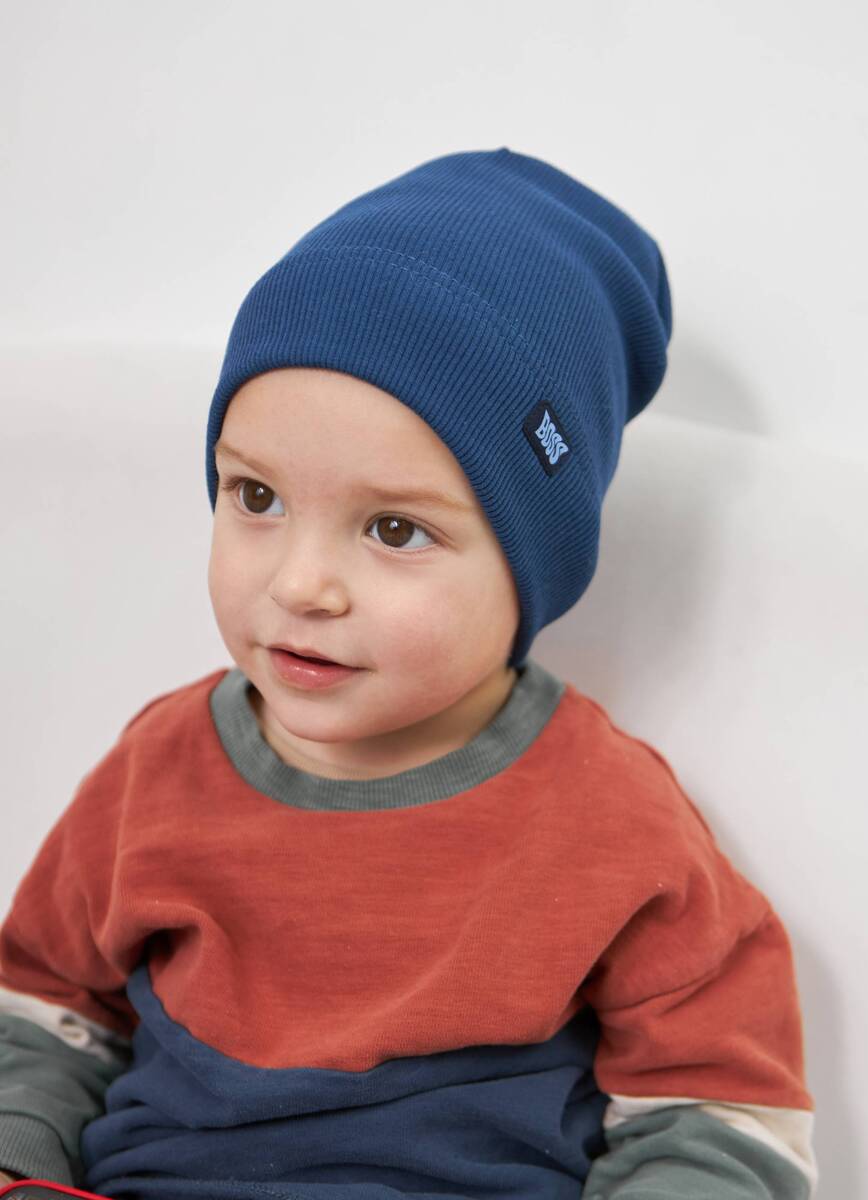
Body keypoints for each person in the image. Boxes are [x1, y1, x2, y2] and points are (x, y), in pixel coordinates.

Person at [0, 147, 818, 1200]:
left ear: (531, 566)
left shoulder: (610, 819)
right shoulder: (157, 769)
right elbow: (42, 1018)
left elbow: (718, 1111)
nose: (300, 584)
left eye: (394, 529)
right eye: (256, 498)